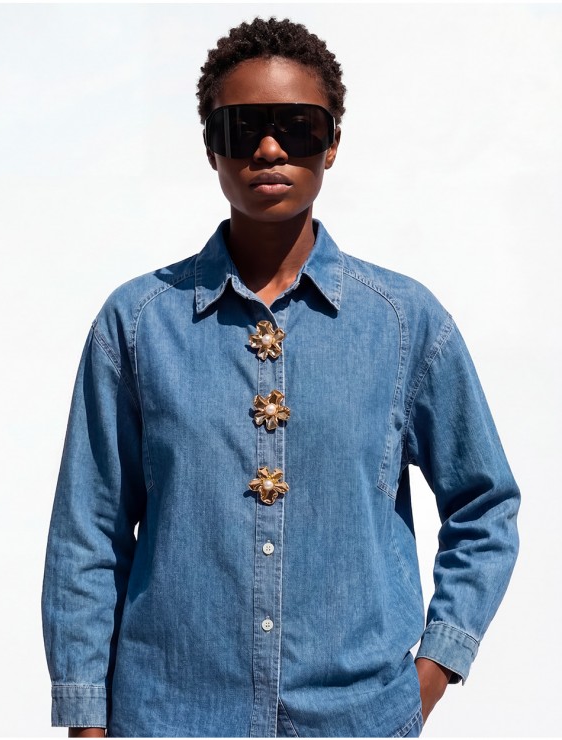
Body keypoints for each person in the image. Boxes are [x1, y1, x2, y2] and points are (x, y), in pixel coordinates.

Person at [42, 16, 520, 738]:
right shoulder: (137, 324)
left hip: (354, 719)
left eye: (297, 126)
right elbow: (89, 532)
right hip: (170, 717)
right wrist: (86, 720)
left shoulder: (403, 323)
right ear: (211, 146)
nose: (270, 149)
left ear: (333, 142)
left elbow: (485, 505)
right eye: (243, 129)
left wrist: (429, 675)